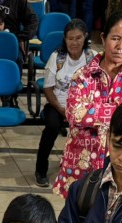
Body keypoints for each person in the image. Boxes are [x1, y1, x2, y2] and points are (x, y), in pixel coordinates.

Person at [53, 11, 122, 198]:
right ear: (103, 38)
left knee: (117, 211)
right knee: (78, 211)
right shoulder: (83, 75)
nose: (121, 46)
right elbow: (74, 113)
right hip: (81, 162)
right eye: (115, 38)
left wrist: (92, 112)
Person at [33, 18, 95, 188]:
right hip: (58, 105)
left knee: (92, 129)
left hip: (84, 107)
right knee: (52, 126)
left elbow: (98, 87)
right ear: (65, 39)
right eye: (70, 38)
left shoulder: (92, 58)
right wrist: (62, 110)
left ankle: (86, 170)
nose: (74, 42)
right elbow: (48, 88)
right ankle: (40, 169)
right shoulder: (57, 57)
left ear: (85, 37)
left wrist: (83, 109)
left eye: (78, 38)